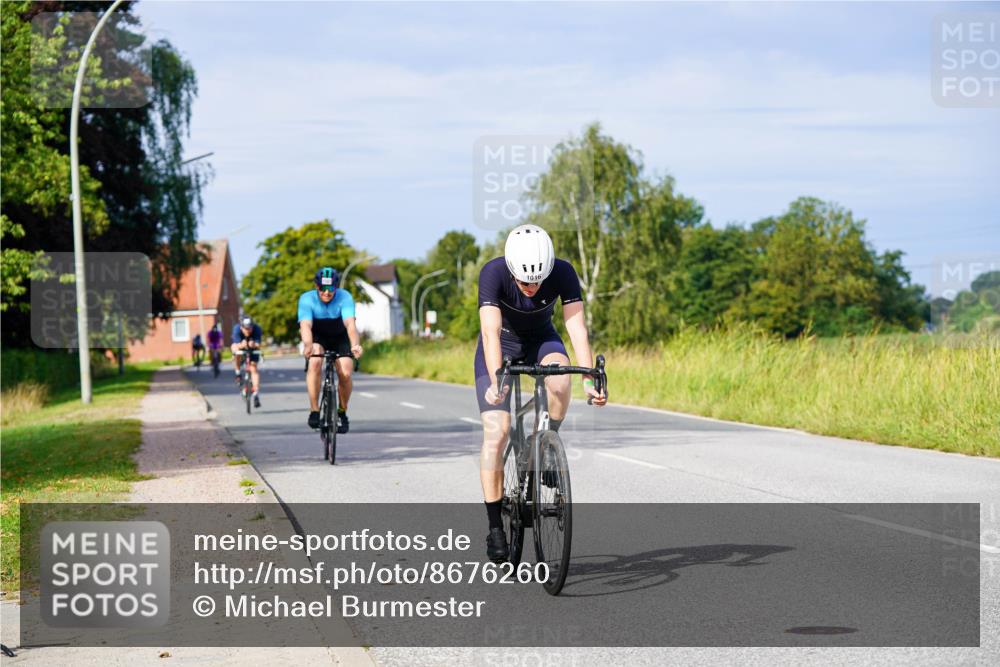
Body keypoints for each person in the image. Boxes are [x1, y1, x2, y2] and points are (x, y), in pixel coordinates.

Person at [475, 224, 606, 562]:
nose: (530, 288)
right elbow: (489, 333)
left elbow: (576, 327)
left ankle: (544, 443)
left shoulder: (562, 271)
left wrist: (589, 377)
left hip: (542, 340)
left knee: (561, 381)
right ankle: (494, 527)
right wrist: (496, 380)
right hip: (500, 346)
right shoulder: (493, 272)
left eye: (537, 282)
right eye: (523, 282)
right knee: (497, 431)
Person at [298, 267, 363, 433]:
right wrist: (307, 344)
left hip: (339, 336)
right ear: (316, 286)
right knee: (315, 362)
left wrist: (355, 344)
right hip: (317, 336)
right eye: (322, 288)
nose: (327, 293)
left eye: (331, 288)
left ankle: (342, 412)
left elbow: (350, 325)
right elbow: (305, 325)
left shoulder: (345, 297)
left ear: (336, 287)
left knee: (346, 373)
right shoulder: (306, 299)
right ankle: (314, 410)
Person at [231, 315, 263, 408]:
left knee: (253, 368)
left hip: (252, 348)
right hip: (240, 346)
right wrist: (241, 345)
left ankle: (256, 394)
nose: (248, 330)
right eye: (246, 329)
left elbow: (258, 344)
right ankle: (237, 372)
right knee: (236, 352)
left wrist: (254, 344)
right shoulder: (237, 329)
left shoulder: (257, 329)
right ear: (241, 327)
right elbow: (235, 345)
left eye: (250, 328)